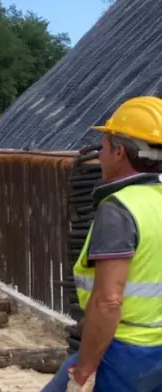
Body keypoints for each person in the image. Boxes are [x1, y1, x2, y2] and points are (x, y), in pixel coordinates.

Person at [43, 97, 162, 392]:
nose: (101, 156)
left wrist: (83, 370)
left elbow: (108, 301)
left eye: (104, 146)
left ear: (119, 151)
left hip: (123, 353)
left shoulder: (120, 208)